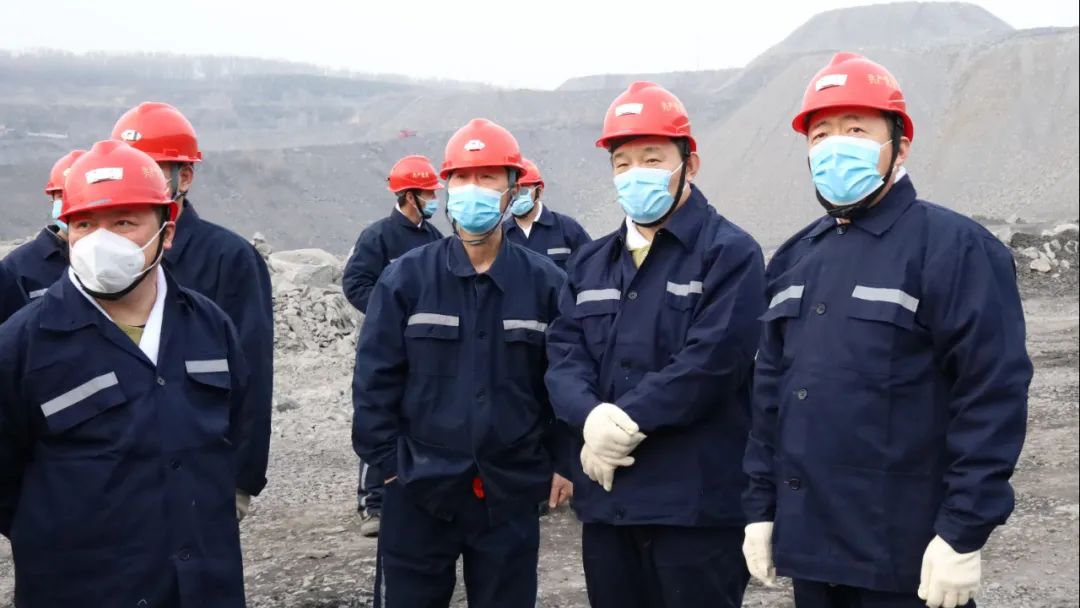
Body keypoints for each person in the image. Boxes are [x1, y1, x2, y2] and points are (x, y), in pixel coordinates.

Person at [741, 53, 1032, 608]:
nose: (835, 145)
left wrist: (963, 532)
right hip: (812, 553)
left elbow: (991, 395)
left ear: (900, 146)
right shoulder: (795, 259)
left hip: (904, 558)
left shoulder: (955, 249)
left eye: (856, 130)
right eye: (820, 133)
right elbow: (770, 397)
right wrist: (760, 507)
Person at [545, 81, 765, 608]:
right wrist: (589, 418)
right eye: (622, 163)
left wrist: (619, 424)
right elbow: (564, 356)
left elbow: (712, 363)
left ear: (690, 164)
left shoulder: (730, 253)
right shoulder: (590, 263)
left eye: (651, 158)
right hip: (610, 506)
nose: (635, 173)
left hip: (694, 510)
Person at [0, 139, 249, 606]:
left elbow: (234, 432)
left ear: (166, 232)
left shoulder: (209, 326)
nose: (101, 241)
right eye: (84, 224)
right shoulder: (22, 344)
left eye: (123, 222)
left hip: (203, 588)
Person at [353, 118, 572, 608]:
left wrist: (562, 461)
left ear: (512, 190)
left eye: (488, 177)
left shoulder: (546, 284)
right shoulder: (406, 279)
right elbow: (374, 380)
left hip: (509, 492)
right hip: (417, 489)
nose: (473, 189)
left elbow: (562, 381)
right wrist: (388, 467)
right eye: (462, 178)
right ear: (447, 187)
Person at [112, 102, 273, 518]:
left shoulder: (229, 258)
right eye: (128, 169)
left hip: (201, 470)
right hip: (113, 473)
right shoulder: (94, 261)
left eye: (150, 169)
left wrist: (241, 477)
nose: (137, 181)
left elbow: (252, 374)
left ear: (183, 177)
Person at [342, 154, 445, 536]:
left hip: (427, 348)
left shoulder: (435, 238)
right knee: (381, 415)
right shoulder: (378, 237)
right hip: (389, 344)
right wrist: (389, 315)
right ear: (409, 196)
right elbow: (355, 283)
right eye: (428, 193)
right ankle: (373, 504)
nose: (434, 199)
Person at [0, 149, 84, 324]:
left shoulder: (127, 258)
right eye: (62, 195)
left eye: (81, 194)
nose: (72, 204)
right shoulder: (16, 267)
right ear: (52, 198)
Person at [503, 158, 591, 269]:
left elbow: (593, 267)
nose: (517, 195)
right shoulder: (499, 237)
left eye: (524, 189)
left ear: (539, 191)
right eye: (512, 190)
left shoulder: (568, 229)